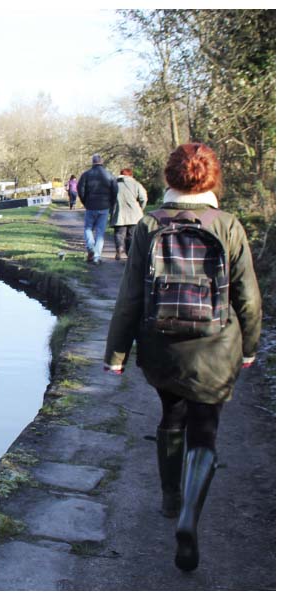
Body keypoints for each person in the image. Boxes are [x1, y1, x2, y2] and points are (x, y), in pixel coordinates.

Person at [103, 143, 262, 572]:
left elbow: (131, 296)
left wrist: (116, 354)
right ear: (210, 179)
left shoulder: (150, 225)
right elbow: (248, 297)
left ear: (169, 177)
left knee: (171, 417)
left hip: (162, 346)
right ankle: (191, 515)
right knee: (205, 429)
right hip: (215, 345)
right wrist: (250, 346)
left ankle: (171, 499)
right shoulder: (228, 225)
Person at [78, 154, 118, 264]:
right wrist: (111, 204)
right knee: (100, 232)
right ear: (102, 161)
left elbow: (80, 189)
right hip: (104, 206)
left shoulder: (86, 175)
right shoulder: (109, 175)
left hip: (91, 205)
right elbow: (115, 191)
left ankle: (90, 247)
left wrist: (85, 202)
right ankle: (96, 256)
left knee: (88, 228)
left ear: (93, 162)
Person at [111, 168, 148, 260]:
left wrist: (111, 210)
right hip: (134, 215)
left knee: (119, 233)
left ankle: (119, 248)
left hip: (119, 214)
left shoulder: (114, 185)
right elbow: (144, 198)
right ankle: (130, 254)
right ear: (131, 175)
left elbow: (110, 199)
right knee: (131, 235)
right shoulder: (136, 184)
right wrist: (140, 208)